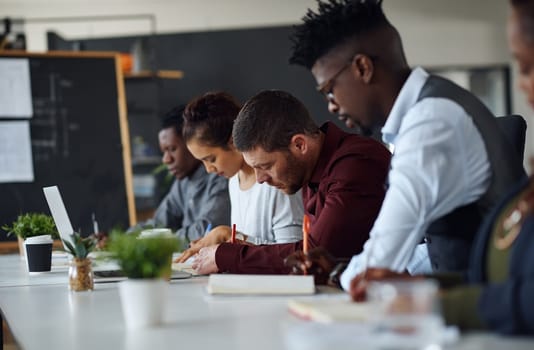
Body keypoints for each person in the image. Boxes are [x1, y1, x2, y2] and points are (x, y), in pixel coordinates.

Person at [286, 0, 526, 287]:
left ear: (362, 68)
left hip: (494, 314)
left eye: (329, 90)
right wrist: (341, 270)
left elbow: (383, 257)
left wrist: (345, 276)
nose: (332, 106)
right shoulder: (429, 109)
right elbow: (428, 249)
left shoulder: (431, 124)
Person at [347, 0, 534, 334]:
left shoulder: (433, 121)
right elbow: (498, 278)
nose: (521, 85)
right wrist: (416, 286)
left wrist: (433, 304)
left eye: (526, 68)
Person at [192, 89, 391, 275]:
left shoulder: (355, 164)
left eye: (266, 166)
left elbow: (315, 255)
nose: (260, 179)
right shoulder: (308, 173)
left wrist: (227, 256)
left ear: (299, 144)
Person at [175, 92, 304, 263]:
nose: (208, 169)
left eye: (211, 159)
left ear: (233, 142)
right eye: (202, 162)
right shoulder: (234, 181)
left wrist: (229, 236)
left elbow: (294, 256)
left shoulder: (276, 181)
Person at [138, 105, 231, 243]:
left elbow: (206, 230)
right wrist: (125, 239)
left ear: (192, 143)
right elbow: (159, 222)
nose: (166, 159)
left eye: (172, 149)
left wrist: (160, 241)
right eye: (164, 151)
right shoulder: (183, 182)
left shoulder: (221, 176)